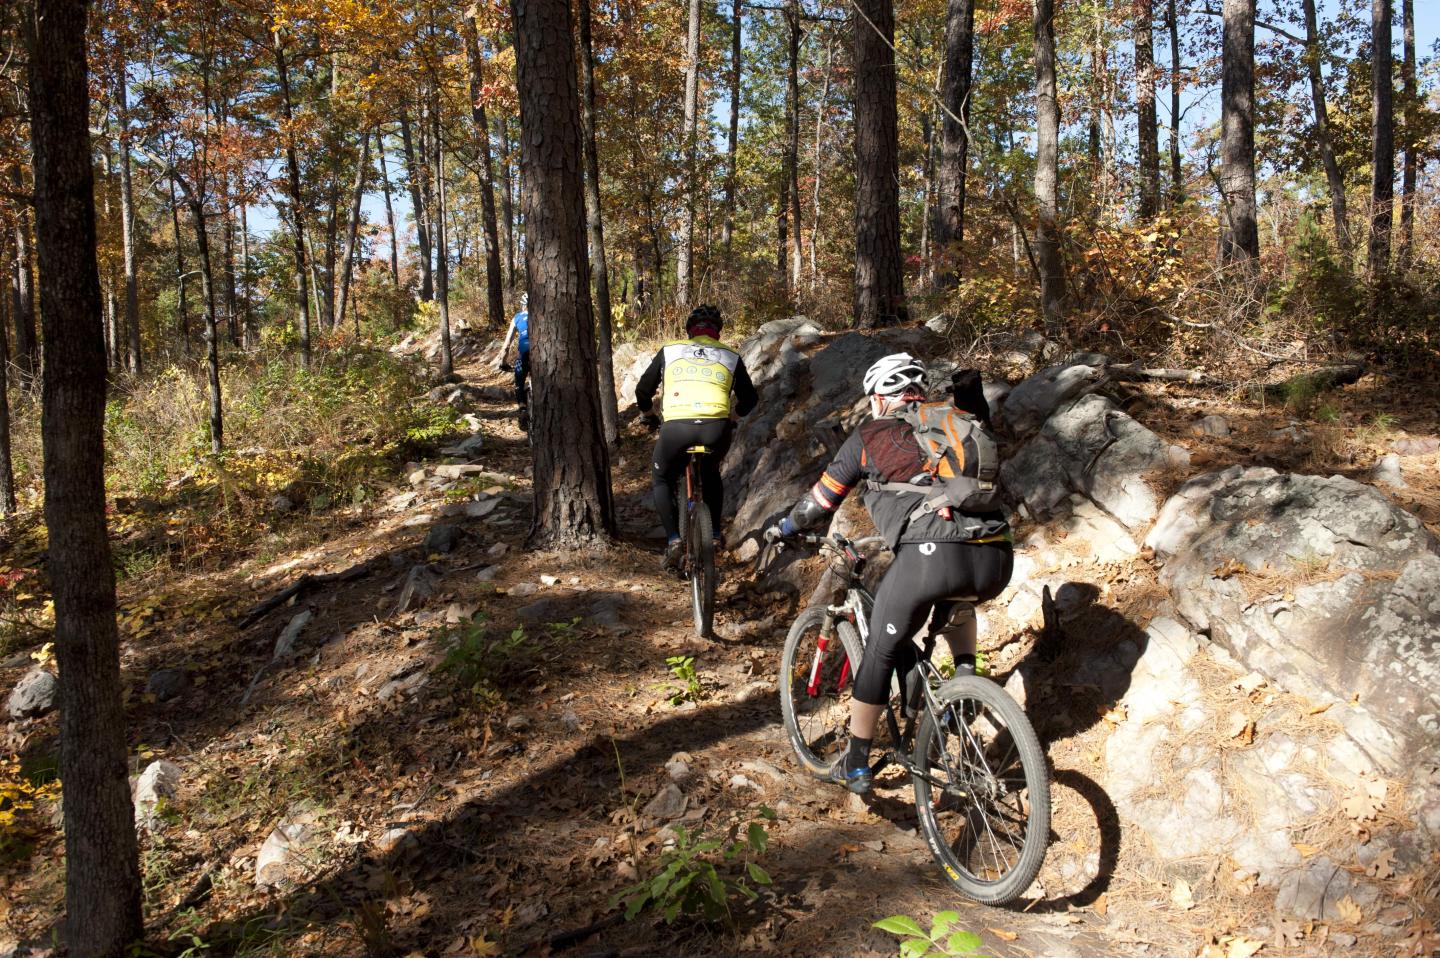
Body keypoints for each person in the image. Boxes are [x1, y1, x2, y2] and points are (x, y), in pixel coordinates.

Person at [764, 353, 1011, 794]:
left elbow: (819, 503)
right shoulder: (955, 420)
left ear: (879, 398)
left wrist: (782, 529)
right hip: (995, 554)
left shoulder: (867, 435)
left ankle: (856, 762)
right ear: (918, 392)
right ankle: (964, 682)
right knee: (958, 601)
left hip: (933, 554)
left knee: (879, 647)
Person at [636, 304, 759, 569]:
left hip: (676, 427)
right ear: (717, 332)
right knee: (711, 471)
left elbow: (642, 391)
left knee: (661, 478)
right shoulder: (730, 355)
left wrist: (649, 414)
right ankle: (713, 536)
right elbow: (750, 399)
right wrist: (731, 417)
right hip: (716, 427)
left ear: (690, 331)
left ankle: (673, 541)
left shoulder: (670, 350)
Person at [494, 293, 531, 430]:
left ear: (523, 305)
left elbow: (506, 345)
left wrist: (503, 363)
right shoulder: (542, 314)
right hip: (540, 354)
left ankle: (522, 408)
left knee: (519, 383)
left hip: (524, 355)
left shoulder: (517, 318)